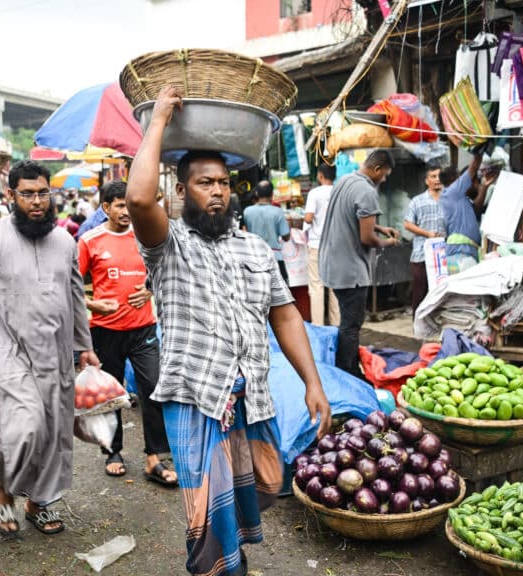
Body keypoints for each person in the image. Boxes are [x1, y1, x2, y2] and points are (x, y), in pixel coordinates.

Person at [126, 85, 331, 576]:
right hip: (196, 399)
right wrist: (158, 121)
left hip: (251, 397)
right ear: (181, 190)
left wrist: (312, 381)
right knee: (205, 519)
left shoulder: (255, 250)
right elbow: (136, 197)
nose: (216, 191)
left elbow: (283, 314)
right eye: (203, 183)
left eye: (222, 183)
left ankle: (229, 559)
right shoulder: (169, 244)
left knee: (267, 481)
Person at [0, 159, 99, 538]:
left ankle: (38, 503)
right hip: (8, 350)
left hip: (56, 350)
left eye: (42, 193)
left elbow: (76, 297)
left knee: (52, 430)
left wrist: (84, 346)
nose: (36, 202)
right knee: (25, 426)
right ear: (10, 195)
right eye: (27, 194)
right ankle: (3, 491)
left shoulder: (66, 241)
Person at [79, 181, 176, 485]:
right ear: (105, 207)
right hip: (105, 331)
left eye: (129, 205)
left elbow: (165, 270)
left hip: (144, 328)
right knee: (111, 395)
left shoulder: (147, 236)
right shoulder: (89, 241)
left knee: (154, 388)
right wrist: (95, 304)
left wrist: (148, 291)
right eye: (119, 205)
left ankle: (154, 458)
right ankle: (113, 451)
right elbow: (68, 288)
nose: (126, 211)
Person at [319, 150, 401, 379]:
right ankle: (348, 373)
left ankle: (344, 367)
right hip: (350, 270)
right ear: (377, 169)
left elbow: (351, 218)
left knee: (347, 322)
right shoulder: (367, 191)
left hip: (333, 264)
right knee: (351, 325)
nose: (384, 179)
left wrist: (379, 227)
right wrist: (388, 241)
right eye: (385, 174)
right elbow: (366, 239)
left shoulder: (345, 180)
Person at [404, 163, 448, 313]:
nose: (437, 179)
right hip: (421, 254)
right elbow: (407, 224)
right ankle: (418, 326)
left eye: (439, 176)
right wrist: (427, 233)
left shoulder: (448, 199)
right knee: (420, 293)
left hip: (444, 254)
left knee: (440, 292)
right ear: (426, 180)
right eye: (433, 176)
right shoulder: (417, 201)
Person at [438, 152, 488, 274]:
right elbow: (473, 166)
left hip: (465, 252)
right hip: (459, 254)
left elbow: (475, 208)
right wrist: (480, 149)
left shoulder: (458, 197)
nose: (462, 178)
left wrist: (484, 188)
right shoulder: (453, 191)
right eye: (459, 176)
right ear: (454, 179)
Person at [304, 163, 340, 326]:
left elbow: (309, 218)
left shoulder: (315, 193)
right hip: (336, 245)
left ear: (320, 175)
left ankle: (318, 325)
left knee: (317, 286)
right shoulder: (339, 192)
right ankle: (336, 325)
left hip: (317, 244)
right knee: (334, 287)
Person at [242, 180, 291, 282]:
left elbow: (245, 232)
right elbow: (286, 236)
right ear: (272, 194)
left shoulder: (247, 211)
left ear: (256, 193)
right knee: (280, 291)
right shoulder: (278, 212)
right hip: (275, 257)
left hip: (254, 257)